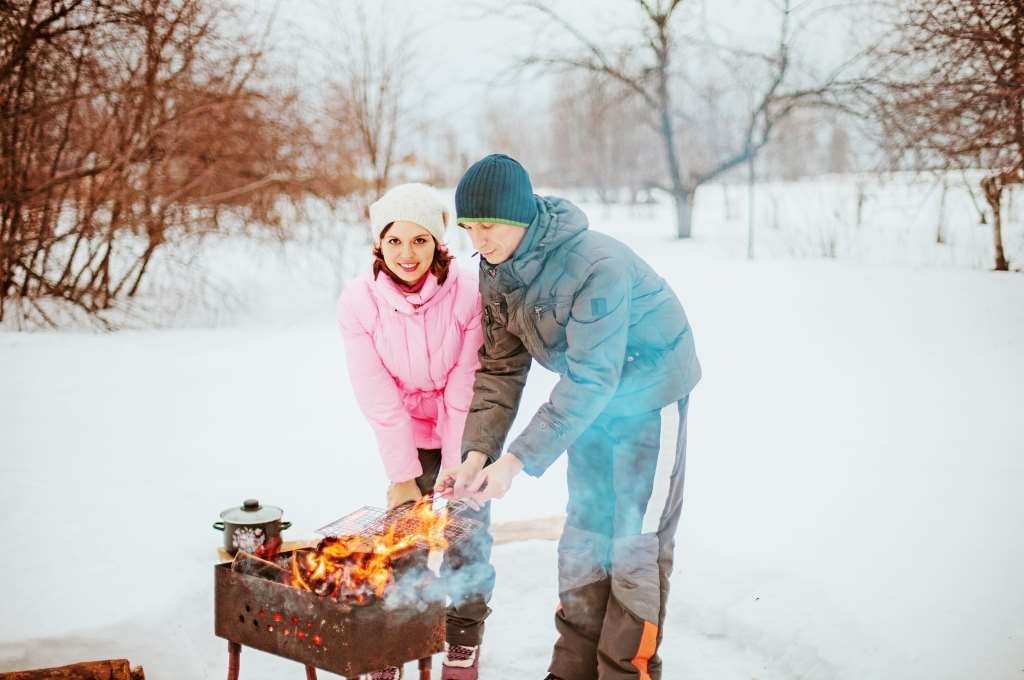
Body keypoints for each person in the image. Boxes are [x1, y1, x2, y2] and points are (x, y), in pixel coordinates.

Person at [436, 155, 701, 680]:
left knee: (631, 538)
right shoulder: (497, 272)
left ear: (519, 217)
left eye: (486, 225)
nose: (477, 238)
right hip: (594, 402)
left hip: (650, 393)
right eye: (468, 226)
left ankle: (625, 671)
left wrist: (516, 461)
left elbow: (591, 379)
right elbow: (500, 370)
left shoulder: (593, 264)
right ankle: (573, 668)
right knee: (584, 528)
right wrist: (477, 454)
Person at [337, 183, 493, 680]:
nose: (407, 253)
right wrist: (403, 474)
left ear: (439, 242)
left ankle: (462, 639)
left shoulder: (469, 291)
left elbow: (463, 389)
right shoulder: (359, 302)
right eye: (395, 241)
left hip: (462, 422)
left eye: (420, 240)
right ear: (378, 245)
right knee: (406, 537)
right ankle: (399, 639)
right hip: (402, 425)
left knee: (467, 535)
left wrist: (457, 468)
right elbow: (378, 398)